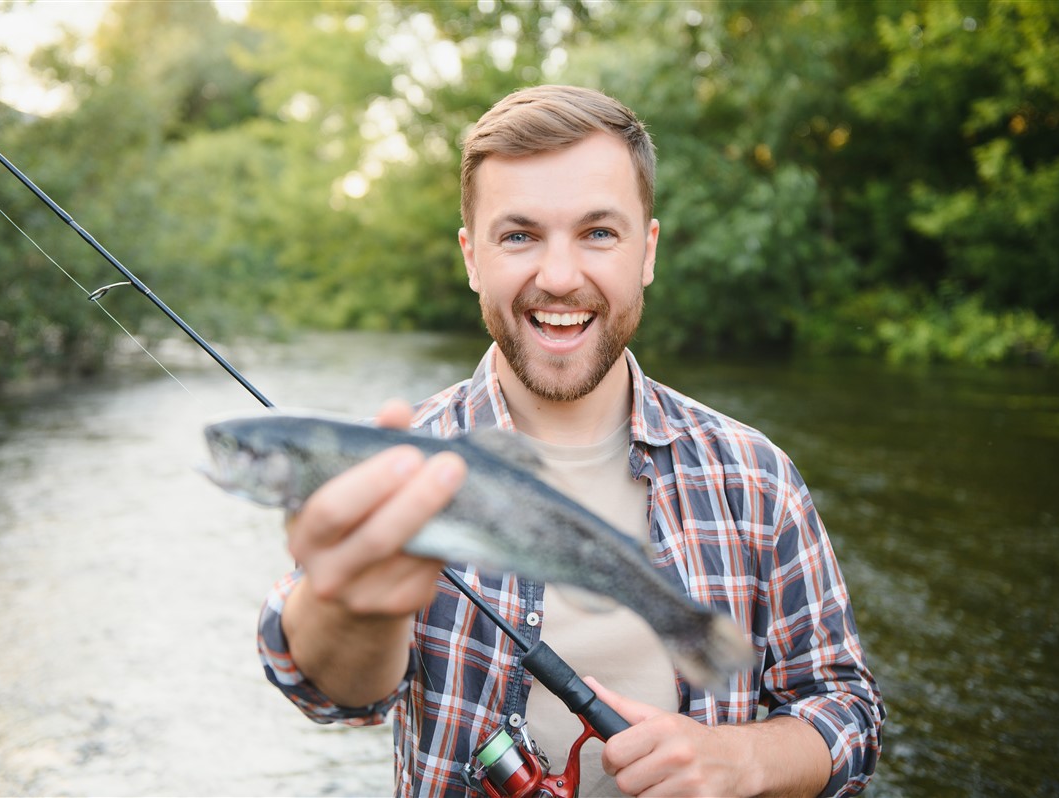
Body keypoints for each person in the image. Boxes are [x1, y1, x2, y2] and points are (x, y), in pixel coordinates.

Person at [258, 85, 884, 797]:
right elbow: (324, 687)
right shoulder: (394, 462)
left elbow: (849, 716)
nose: (558, 278)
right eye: (519, 235)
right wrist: (349, 608)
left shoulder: (757, 478)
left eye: (598, 233)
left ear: (647, 251)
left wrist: (739, 761)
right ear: (471, 258)